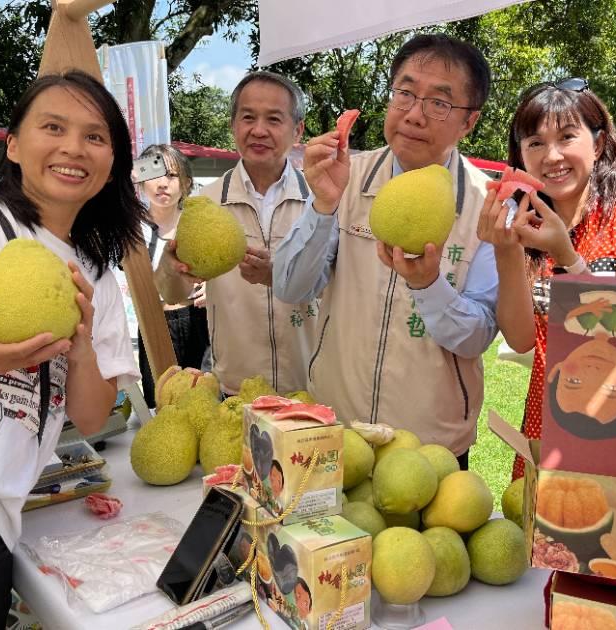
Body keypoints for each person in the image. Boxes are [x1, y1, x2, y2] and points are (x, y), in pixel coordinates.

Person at [0, 70, 143, 628]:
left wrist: (84, 347)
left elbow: (91, 417)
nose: (73, 148)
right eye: (53, 127)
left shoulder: (96, 273)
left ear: (112, 164)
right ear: (15, 145)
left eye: (95, 137)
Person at [272, 34, 498, 469]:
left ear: (468, 122)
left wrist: (429, 286)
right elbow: (290, 287)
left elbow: (479, 335)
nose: (414, 115)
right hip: (339, 427)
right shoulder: (345, 175)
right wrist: (323, 206)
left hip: (429, 446)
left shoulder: (484, 204)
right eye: (405, 93)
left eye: (439, 103)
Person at [476, 78, 616, 479]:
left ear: (598, 143)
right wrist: (507, 250)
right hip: (546, 426)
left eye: (567, 137)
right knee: (535, 540)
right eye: (535, 143)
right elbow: (522, 339)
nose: (552, 155)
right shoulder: (531, 232)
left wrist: (567, 257)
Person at [156, 71, 317, 396]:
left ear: (297, 130)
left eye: (274, 119)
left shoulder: (321, 201)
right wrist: (171, 268)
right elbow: (173, 293)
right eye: (248, 117)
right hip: (236, 391)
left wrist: (283, 275)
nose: (259, 130)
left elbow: (341, 282)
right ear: (233, 125)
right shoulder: (205, 204)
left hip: (313, 388)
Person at [134, 144, 210, 407]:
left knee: (201, 398)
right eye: (154, 174)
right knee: (161, 403)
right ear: (140, 180)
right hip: (153, 322)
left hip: (198, 321)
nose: (163, 184)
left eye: (172, 175)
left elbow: (222, 267)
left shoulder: (198, 224)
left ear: (186, 183)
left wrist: (213, 286)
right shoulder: (131, 229)